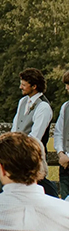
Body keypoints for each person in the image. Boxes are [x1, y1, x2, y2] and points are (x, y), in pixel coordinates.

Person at [11, 67, 56, 195]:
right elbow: (15, 127)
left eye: (24, 85)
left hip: (33, 157)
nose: (21, 87)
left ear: (34, 86)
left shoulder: (43, 107)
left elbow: (35, 137)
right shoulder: (22, 102)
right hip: (17, 155)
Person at [53, 70, 69, 198]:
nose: (67, 88)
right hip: (65, 166)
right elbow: (58, 132)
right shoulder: (65, 107)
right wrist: (60, 153)